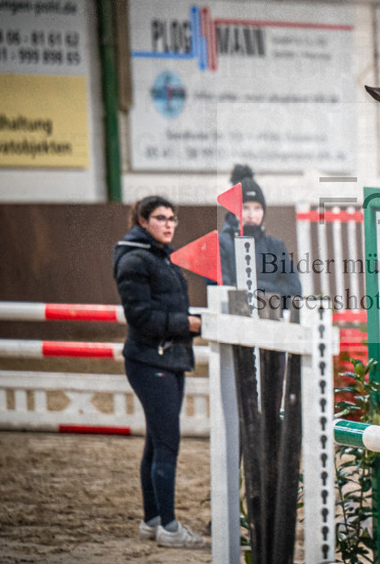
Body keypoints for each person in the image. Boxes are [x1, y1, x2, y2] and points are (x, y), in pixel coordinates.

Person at [113, 195, 207, 549]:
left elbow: (164, 307)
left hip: (166, 357)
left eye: (172, 218)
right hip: (152, 360)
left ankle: (152, 521)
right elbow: (141, 318)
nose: (168, 224)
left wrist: (189, 320)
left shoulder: (159, 256)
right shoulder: (136, 260)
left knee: (155, 444)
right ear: (142, 221)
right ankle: (169, 526)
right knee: (167, 445)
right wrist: (189, 324)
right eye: (160, 218)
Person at [213, 165, 302, 307]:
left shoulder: (276, 247)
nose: (251, 215)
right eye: (245, 208)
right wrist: (272, 289)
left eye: (257, 208)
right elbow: (224, 290)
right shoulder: (220, 244)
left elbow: (294, 291)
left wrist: (250, 286)